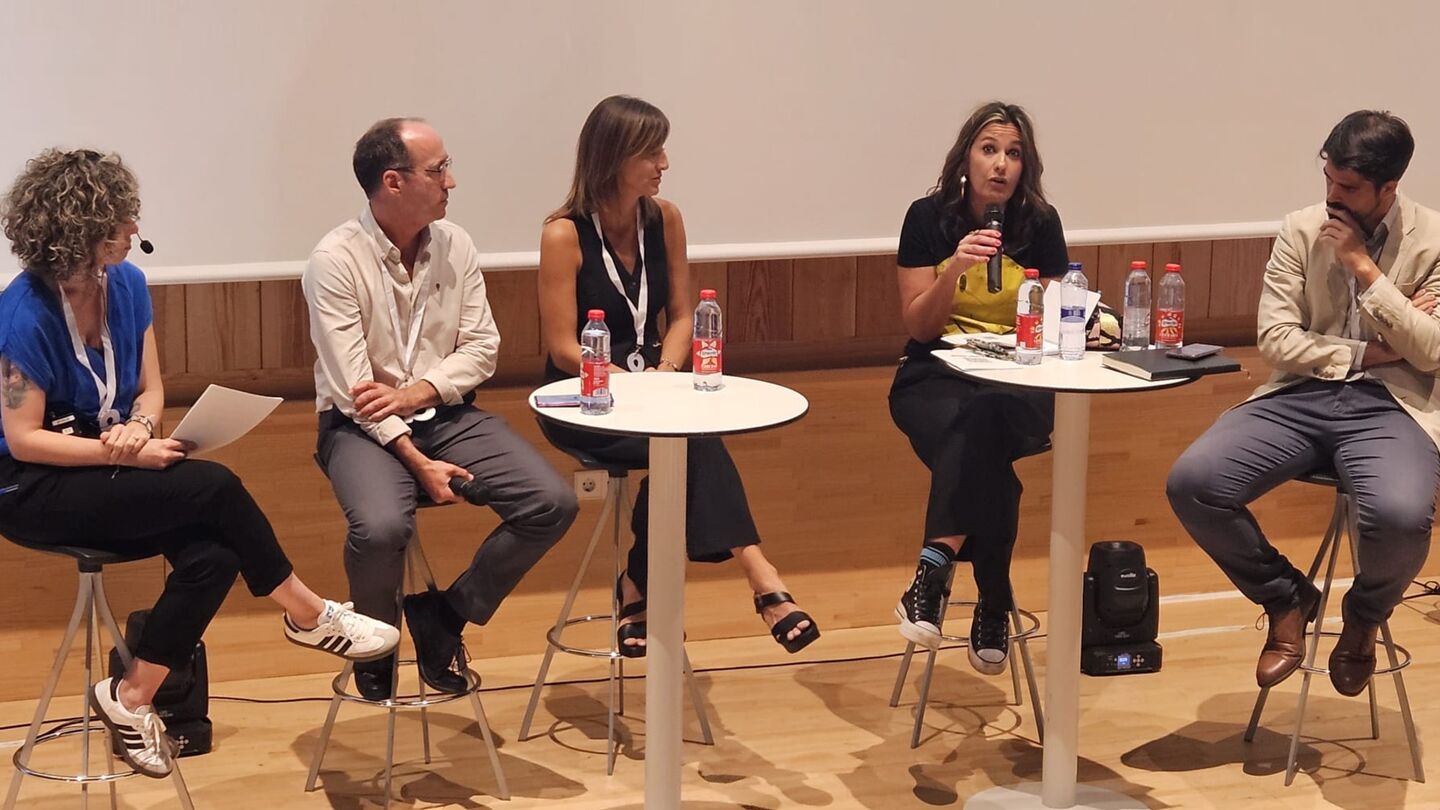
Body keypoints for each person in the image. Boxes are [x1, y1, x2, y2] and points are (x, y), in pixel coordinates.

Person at [0, 149, 399, 779]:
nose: (136, 229)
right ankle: (307, 613)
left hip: (108, 468)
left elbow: (151, 390)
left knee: (214, 553)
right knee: (213, 485)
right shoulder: (23, 312)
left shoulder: (126, 285)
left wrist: (139, 427)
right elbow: (24, 440)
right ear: (83, 230)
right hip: (34, 487)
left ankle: (129, 698)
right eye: (124, 218)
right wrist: (120, 450)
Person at [304, 118, 578, 701]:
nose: (451, 181)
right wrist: (412, 456)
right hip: (357, 429)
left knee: (551, 502)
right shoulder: (335, 260)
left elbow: (483, 350)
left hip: (446, 415)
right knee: (381, 528)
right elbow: (356, 390)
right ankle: (375, 645)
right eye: (439, 170)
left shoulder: (456, 243)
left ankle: (447, 615)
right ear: (393, 182)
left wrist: (416, 392)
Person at [1168, 110, 1440, 696]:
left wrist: (1365, 269)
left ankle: (1366, 616)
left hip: (1394, 406)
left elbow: (1431, 352)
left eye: (1349, 188)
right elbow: (1276, 340)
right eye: (1329, 181)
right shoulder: (1299, 228)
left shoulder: (1436, 240)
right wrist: (1372, 352)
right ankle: (1286, 598)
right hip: (1301, 393)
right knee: (1193, 481)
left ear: (1388, 187)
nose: (1333, 199)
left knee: (1400, 517)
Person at [537, 95, 819, 656]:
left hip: (658, 388)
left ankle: (636, 585)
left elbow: (684, 315)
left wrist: (666, 372)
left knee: (681, 443)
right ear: (615, 157)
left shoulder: (664, 218)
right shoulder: (563, 233)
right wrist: (628, 384)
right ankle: (762, 577)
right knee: (688, 442)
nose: (663, 163)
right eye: (652, 152)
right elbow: (563, 346)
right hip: (587, 398)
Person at [890, 101, 1069, 674]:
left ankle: (935, 564)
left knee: (982, 422)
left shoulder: (1041, 224)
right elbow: (918, 326)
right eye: (989, 149)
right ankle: (994, 597)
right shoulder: (927, 218)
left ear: (1026, 165)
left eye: (1013, 154)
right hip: (933, 375)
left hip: (1020, 382)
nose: (1001, 165)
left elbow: (1061, 317)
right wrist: (954, 271)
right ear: (965, 158)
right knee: (982, 450)